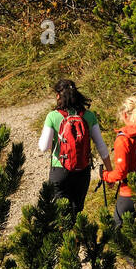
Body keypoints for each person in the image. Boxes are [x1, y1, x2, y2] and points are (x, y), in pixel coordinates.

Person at [37, 79, 110, 213]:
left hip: (60, 170)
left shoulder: (52, 116)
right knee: (76, 212)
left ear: (58, 96)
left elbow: (43, 147)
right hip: (82, 170)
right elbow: (101, 147)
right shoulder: (89, 116)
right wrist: (110, 170)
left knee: (59, 213)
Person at [102, 96, 136, 228]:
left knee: (116, 230)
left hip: (129, 193)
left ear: (124, 114)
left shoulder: (123, 139)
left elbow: (121, 173)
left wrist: (106, 176)